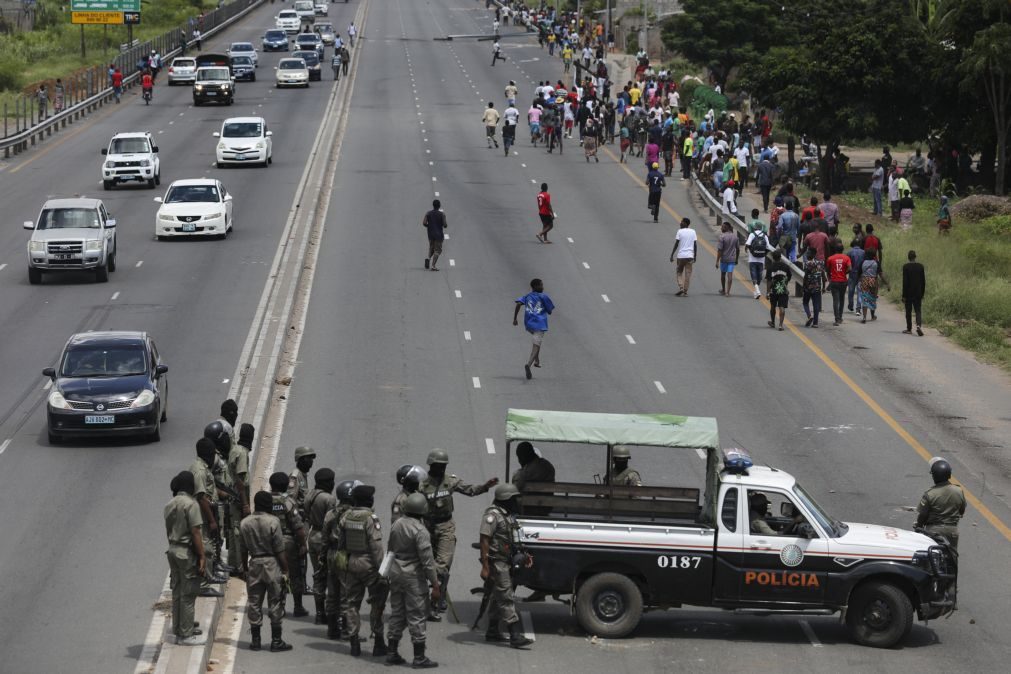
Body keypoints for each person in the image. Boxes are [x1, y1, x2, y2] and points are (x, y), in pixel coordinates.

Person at [419, 449, 498, 620]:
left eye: (443, 466)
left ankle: (434, 602)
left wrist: (485, 487)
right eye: (438, 466)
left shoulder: (450, 482)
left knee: (442, 565)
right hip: (426, 527)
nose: (441, 469)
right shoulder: (422, 485)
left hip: (446, 526)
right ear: (431, 465)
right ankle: (432, 593)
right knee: (426, 564)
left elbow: (470, 490)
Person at [384, 493, 440, 668]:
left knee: (397, 613)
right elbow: (428, 562)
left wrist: (384, 574)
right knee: (417, 615)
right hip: (413, 577)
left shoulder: (397, 524)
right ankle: (419, 657)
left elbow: (390, 550)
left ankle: (392, 652)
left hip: (395, 574)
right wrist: (436, 584)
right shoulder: (420, 531)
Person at [479, 484, 534, 648]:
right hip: (497, 563)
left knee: (497, 597)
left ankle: (492, 631)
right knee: (506, 597)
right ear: (506, 499)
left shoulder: (508, 515)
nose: (517, 501)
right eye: (514, 498)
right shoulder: (492, 515)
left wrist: (523, 554)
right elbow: (484, 540)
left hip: (506, 560)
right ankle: (515, 635)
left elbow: (513, 537)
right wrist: (485, 566)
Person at [339, 484, 389, 657]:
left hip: (352, 564)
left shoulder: (346, 517)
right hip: (370, 566)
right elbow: (377, 548)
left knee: (352, 604)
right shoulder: (371, 519)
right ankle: (379, 643)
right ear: (369, 500)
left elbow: (342, 544)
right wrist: (383, 572)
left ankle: (354, 643)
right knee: (377, 604)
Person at [241, 491, 293, 652]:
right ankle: (276, 641)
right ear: (268, 505)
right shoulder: (273, 521)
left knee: (254, 602)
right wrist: (285, 570)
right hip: (272, 563)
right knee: (275, 601)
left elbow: (242, 549)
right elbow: (279, 549)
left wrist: (244, 568)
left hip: (254, 563)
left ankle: (256, 641)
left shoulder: (245, 523)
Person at [165, 471, 207, 646]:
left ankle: (179, 627)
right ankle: (186, 635)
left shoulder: (169, 504)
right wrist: (202, 556)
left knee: (177, 591)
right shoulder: (191, 505)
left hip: (173, 550)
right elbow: (196, 532)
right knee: (189, 593)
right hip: (186, 552)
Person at [268, 471, 308, 618]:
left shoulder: (265, 500)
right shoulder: (289, 502)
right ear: (286, 486)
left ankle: (279, 606)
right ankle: (298, 607)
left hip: (270, 542)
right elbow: (298, 526)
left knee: (276, 575)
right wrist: (303, 545)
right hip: (288, 542)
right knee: (295, 574)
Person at [323, 480, 360, 639]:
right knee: (347, 593)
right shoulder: (353, 514)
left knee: (332, 592)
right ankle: (347, 629)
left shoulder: (330, 513)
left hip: (331, 553)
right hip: (345, 555)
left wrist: (323, 557)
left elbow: (324, 537)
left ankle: (332, 629)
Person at [191, 439, 227, 596]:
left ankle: (210, 576)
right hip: (202, 515)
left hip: (207, 512)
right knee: (205, 548)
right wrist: (212, 520)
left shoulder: (203, 467)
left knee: (211, 545)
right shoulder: (199, 470)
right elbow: (201, 497)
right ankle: (204, 585)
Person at [305, 468, 336, 624]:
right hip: (324, 538)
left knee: (318, 575)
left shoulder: (310, 494)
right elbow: (331, 521)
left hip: (312, 536)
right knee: (330, 575)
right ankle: (331, 613)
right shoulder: (329, 499)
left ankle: (319, 613)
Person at [916, 459, 966, 551]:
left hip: (933, 531)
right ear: (949, 475)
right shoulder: (958, 491)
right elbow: (962, 510)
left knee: (929, 556)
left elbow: (923, 515)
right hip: (952, 531)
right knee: (953, 556)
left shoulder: (930, 494)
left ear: (934, 477)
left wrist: (919, 526)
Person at [287, 446, 315, 599]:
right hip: (299, 522)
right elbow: (291, 501)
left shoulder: (303, 475)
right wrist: (297, 522)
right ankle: (299, 586)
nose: (311, 461)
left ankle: (302, 585)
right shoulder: (295, 477)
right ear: (300, 459)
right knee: (300, 554)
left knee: (303, 555)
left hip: (305, 521)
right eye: (308, 458)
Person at [514, 278, 555, 380]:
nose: (543, 287)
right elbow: (550, 311)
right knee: (536, 346)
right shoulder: (543, 296)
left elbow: (518, 303)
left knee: (537, 342)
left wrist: (515, 319)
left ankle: (537, 361)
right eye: (541, 285)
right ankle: (529, 364)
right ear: (535, 286)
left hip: (529, 325)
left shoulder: (527, 296)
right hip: (540, 325)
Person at [228, 423, 254, 575]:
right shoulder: (243, 453)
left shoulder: (234, 450)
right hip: (238, 500)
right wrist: (245, 504)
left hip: (232, 498)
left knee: (232, 533)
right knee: (239, 534)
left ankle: (233, 566)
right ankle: (240, 567)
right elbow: (240, 479)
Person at [670, 217, 698, 296]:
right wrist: (695, 256)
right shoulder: (693, 231)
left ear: (686, 223)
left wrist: (672, 254)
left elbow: (676, 243)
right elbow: (695, 245)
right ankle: (685, 291)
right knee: (688, 274)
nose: (680, 223)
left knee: (679, 272)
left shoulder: (680, 231)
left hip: (681, 256)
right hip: (690, 256)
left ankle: (681, 288)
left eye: (682, 222)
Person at [858, 249, 887, 324]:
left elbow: (859, 274)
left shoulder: (862, 262)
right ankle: (872, 315)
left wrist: (858, 281)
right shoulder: (876, 263)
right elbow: (880, 274)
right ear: (874, 255)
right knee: (872, 298)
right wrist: (886, 283)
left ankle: (864, 317)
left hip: (864, 281)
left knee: (864, 298)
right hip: (873, 281)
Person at [766, 250, 792, 330]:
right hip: (783, 290)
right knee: (782, 307)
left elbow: (769, 281)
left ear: (773, 258)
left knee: (773, 307)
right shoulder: (786, 266)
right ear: (780, 258)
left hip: (774, 291)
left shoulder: (770, 267)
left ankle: (773, 322)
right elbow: (789, 277)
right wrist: (785, 284)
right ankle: (780, 325)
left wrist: (768, 292)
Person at [826, 243, 852, 326]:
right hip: (843, 281)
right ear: (842, 249)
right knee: (842, 300)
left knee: (835, 300)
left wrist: (830, 278)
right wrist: (844, 272)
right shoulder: (846, 258)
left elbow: (827, 270)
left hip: (834, 281)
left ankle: (836, 319)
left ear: (835, 250)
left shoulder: (830, 258)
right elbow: (850, 268)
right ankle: (840, 317)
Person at [902, 250, 926, 336]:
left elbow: (905, 282)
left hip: (908, 293)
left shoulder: (906, 267)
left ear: (908, 257)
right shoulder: (920, 266)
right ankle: (919, 326)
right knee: (918, 310)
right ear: (915, 257)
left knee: (908, 311)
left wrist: (904, 295)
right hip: (918, 292)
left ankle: (909, 329)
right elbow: (923, 281)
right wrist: (922, 293)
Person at [801, 247, 826, 328]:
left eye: (808, 253)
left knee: (805, 303)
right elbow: (823, 276)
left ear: (813, 254)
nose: (807, 254)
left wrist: (803, 286)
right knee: (816, 305)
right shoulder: (820, 263)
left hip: (808, 287)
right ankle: (815, 323)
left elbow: (805, 276)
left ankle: (809, 316)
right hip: (818, 287)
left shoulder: (807, 264)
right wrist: (824, 287)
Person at [745, 227, 770, 300]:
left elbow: (748, 244)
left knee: (753, 275)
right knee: (759, 277)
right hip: (761, 260)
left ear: (754, 229)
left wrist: (748, 250)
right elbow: (768, 247)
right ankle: (756, 291)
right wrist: (764, 254)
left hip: (752, 259)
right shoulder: (765, 236)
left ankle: (757, 290)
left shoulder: (752, 234)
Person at [715, 221, 739, 296]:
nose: (721, 228)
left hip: (724, 259)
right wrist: (737, 259)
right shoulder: (735, 237)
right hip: (732, 259)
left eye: (722, 227)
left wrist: (717, 261)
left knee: (723, 274)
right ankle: (728, 292)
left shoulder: (722, 237)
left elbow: (720, 250)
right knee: (730, 275)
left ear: (726, 228)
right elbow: (738, 249)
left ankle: (723, 289)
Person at [422, 199, 447, 270]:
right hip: (439, 235)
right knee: (437, 250)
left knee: (432, 247)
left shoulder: (428, 213)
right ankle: (433, 265)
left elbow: (424, 223)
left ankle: (428, 258)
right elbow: (445, 225)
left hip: (430, 234)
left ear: (433, 205)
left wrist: (429, 226)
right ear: (439, 206)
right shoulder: (442, 214)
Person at [847, 238, 866, 315]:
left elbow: (847, 264)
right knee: (860, 291)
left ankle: (851, 305)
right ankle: (858, 309)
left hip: (852, 273)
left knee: (851, 291)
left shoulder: (849, 252)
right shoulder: (864, 252)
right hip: (861, 274)